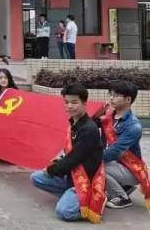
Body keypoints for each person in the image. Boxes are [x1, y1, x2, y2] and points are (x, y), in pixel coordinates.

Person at [30, 84, 105, 223]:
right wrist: (61, 159)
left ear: (84, 103)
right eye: (66, 102)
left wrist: (52, 169)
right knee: (36, 177)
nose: (69, 106)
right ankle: (71, 198)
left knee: (64, 212)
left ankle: (92, 200)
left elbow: (74, 158)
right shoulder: (74, 124)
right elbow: (73, 154)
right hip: (71, 176)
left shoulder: (89, 128)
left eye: (74, 102)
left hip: (85, 181)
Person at [101, 81, 149, 210]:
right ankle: (125, 187)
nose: (111, 98)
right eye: (111, 94)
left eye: (116, 95)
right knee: (96, 161)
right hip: (119, 164)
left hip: (131, 169)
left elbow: (115, 151)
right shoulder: (110, 116)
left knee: (95, 165)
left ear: (128, 99)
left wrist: (91, 158)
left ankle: (122, 197)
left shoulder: (133, 126)